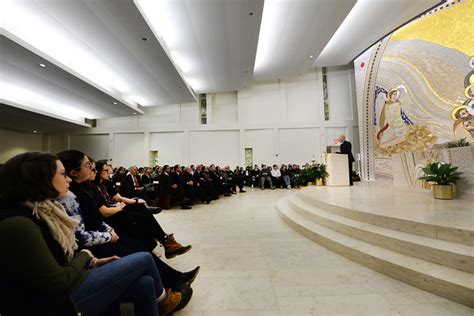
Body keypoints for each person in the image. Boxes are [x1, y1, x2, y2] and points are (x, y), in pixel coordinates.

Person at [0, 152, 181, 316]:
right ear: (40, 180)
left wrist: (92, 261)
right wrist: (86, 256)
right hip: (55, 302)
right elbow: (58, 282)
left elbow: (62, 256)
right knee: (143, 257)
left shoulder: (45, 211)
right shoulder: (19, 223)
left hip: (73, 277)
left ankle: (162, 298)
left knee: (146, 284)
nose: (68, 180)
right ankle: (163, 301)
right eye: (63, 175)